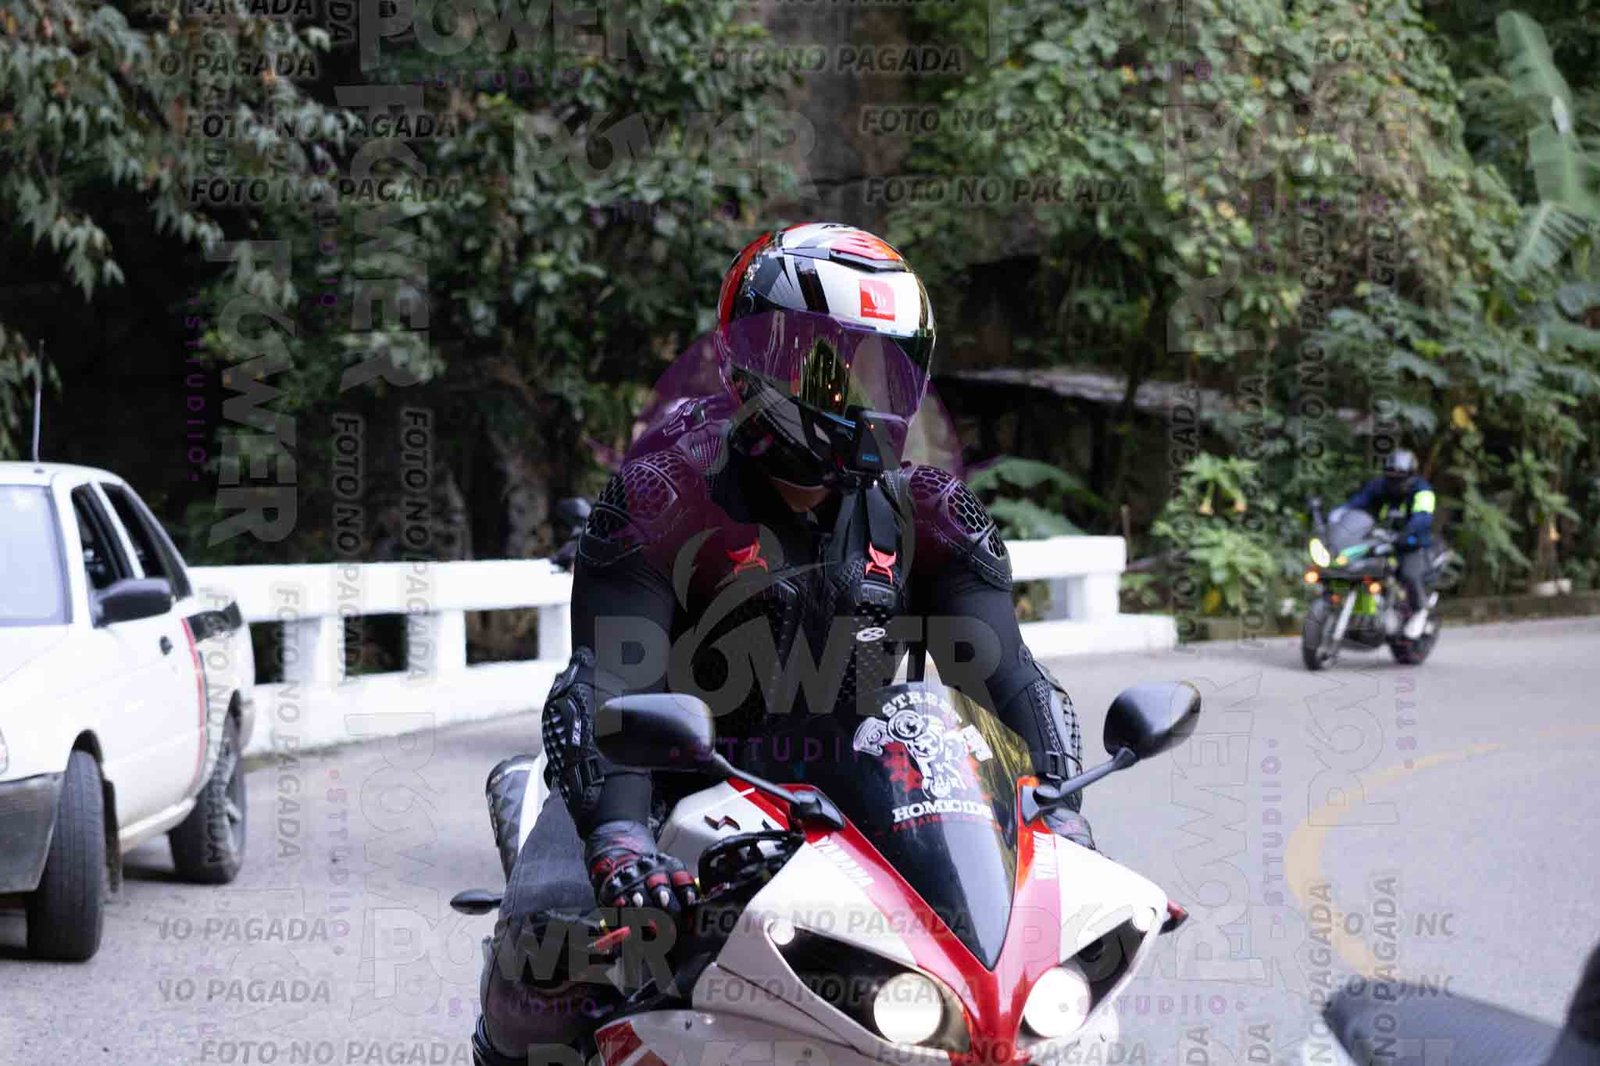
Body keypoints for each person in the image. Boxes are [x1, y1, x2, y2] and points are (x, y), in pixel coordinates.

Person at [471, 223, 1093, 1064]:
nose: (865, 394)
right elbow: (608, 683)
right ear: (757, 360)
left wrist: (1061, 812)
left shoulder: (935, 515)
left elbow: (1008, 679)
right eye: (834, 366)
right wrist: (621, 846)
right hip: (668, 788)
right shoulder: (660, 496)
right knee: (541, 958)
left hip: (865, 802)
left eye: (887, 367)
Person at [1339, 448, 1437, 640]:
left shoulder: (1423, 491)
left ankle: (1420, 610)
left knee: (1408, 574)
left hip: (1411, 542)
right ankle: (1362, 612)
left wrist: (1406, 533)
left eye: (1400, 476)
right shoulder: (1380, 486)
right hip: (1381, 539)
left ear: (1410, 475)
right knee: (1354, 565)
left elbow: (1423, 517)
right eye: (1390, 475)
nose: (1394, 480)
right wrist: (1341, 513)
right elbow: (1358, 502)